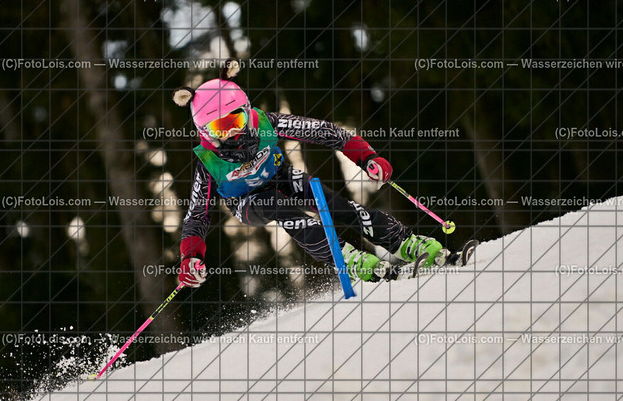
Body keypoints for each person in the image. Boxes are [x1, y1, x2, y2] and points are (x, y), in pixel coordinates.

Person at [174, 60, 447, 289]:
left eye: (236, 121)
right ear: (205, 131)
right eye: (220, 128)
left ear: (246, 111)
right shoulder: (208, 162)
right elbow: (197, 215)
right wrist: (190, 256)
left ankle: (403, 242)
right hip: (246, 201)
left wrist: (367, 157)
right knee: (278, 206)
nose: (232, 132)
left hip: (280, 176)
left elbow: (324, 131)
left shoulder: (266, 122)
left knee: (336, 205)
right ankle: (346, 257)